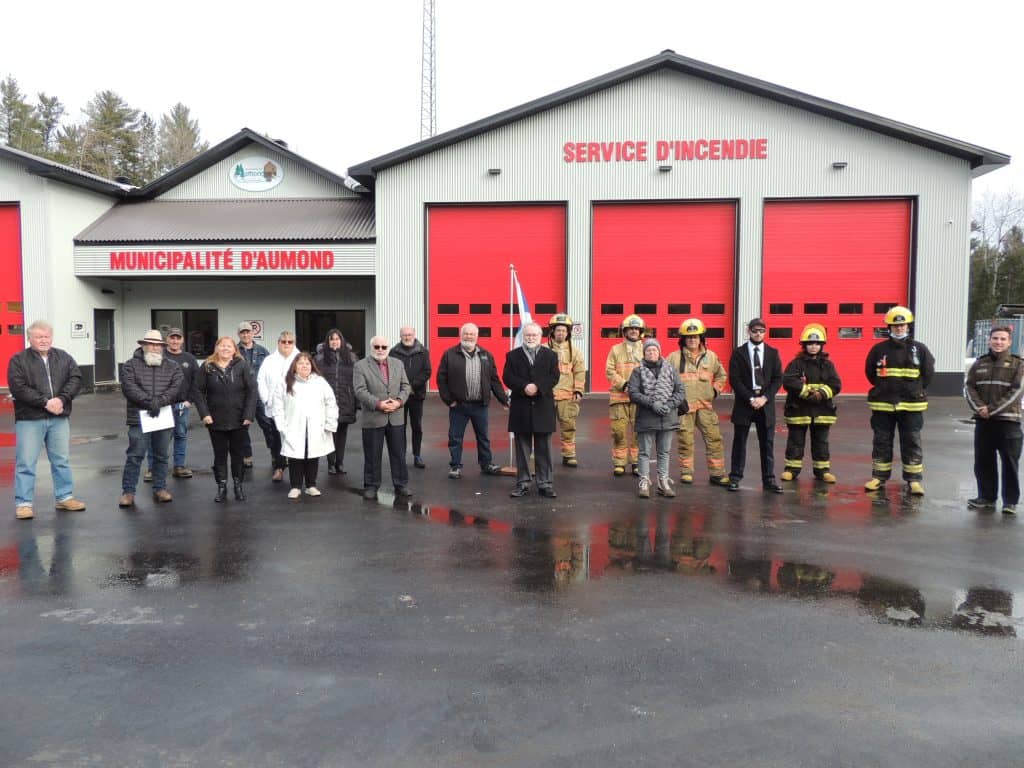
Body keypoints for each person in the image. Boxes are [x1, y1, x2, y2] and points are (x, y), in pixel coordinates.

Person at [8, 320, 86, 520]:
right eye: (38, 337)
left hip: (59, 418)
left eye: (46, 336)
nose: (43, 340)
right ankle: (24, 503)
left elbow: (76, 378)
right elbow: (18, 387)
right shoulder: (18, 360)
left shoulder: (64, 357)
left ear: (51, 337)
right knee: (26, 462)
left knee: (61, 460)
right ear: (29, 338)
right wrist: (45, 402)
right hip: (30, 418)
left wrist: (62, 399)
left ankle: (65, 497)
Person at [864, 306, 935, 495]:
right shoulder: (879, 349)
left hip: (911, 404)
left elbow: (928, 374)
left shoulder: (919, 349)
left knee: (911, 441)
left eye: (902, 325)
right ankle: (879, 477)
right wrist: (884, 388)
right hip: (883, 404)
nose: (899, 328)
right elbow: (871, 373)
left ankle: (913, 480)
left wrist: (914, 390)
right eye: (895, 325)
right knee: (882, 441)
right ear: (889, 327)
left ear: (908, 326)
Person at [118, 330, 183, 507]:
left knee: (161, 455)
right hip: (139, 417)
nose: (155, 347)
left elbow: (176, 387)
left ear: (162, 347)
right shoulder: (130, 365)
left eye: (158, 345)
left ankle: (160, 488)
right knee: (135, 455)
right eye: (151, 344)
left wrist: (160, 401)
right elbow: (129, 388)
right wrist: (149, 402)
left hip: (163, 416)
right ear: (143, 345)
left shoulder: (172, 366)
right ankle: (128, 492)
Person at [436, 322, 509, 479]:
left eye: (472, 334)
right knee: (455, 437)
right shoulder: (450, 354)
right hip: (459, 406)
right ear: (461, 335)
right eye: (466, 333)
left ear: (477, 336)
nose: (469, 336)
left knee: (483, 436)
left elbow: (494, 380)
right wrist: (449, 401)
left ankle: (486, 464)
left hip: (480, 405)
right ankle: (455, 466)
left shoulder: (486, 355)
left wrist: (503, 400)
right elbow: (441, 379)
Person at [964, 324, 1023, 515]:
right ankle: (987, 498)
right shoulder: (979, 363)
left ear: (1009, 342)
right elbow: (969, 387)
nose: (998, 342)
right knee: (983, 461)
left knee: (1010, 463)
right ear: (989, 340)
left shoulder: (1018, 364)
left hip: (1008, 422)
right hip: (984, 422)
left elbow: (1017, 391)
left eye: (1002, 339)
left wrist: (990, 409)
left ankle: (1010, 502)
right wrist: (979, 408)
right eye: (995, 338)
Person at [664, 318, 729, 486]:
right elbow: (664, 380)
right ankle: (686, 472)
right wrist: (675, 400)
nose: (692, 340)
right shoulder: (673, 358)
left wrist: (715, 390)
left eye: (695, 336)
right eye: (689, 337)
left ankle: (717, 474)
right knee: (685, 440)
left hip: (705, 407)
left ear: (701, 338)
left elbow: (721, 375)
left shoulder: (711, 357)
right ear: (683, 339)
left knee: (714, 439)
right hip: (684, 408)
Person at [193, 336, 258, 503]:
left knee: (238, 454)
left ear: (234, 350)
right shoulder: (207, 367)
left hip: (239, 419)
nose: (225, 349)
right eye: (222, 346)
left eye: (229, 346)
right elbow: (198, 391)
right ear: (216, 348)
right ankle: (221, 487)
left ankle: (238, 486)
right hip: (215, 419)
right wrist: (204, 414)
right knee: (219, 455)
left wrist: (249, 415)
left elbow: (252, 391)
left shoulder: (242, 366)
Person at [504, 322, 561, 498]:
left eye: (534, 335)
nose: (531, 338)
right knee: (522, 449)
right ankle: (523, 483)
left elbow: (554, 376)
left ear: (540, 336)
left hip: (543, 406)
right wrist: (524, 387)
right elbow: (507, 377)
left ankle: (545, 483)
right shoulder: (512, 356)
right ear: (523, 336)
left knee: (544, 449)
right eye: (528, 335)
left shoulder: (550, 355)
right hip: (521, 406)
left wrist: (538, 386)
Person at [780, 323, 842, 483]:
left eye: (817, 343)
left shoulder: (828, 365)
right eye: (810, 343)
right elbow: (788, 381)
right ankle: (791, 470)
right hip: (799, 410)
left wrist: (821, 394)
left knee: (821, 442)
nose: (813, 347)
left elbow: (836, 384)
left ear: (821, 345)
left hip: (822, 411)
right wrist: (807, 393)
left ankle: (822, 471)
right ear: (804, 345)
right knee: (795, 441)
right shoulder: (796, 364)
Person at [727, 318, 784, 493]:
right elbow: (734, 379)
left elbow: (777, 379)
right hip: (745, 404)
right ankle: (735, 477)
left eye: (761, 331)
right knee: (739, 442)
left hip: (765, 405)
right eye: (755, 331)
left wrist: (765, 398)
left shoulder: (773, 353)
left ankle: (769, 479)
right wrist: (751, 398)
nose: (758, 334)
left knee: (767, 443)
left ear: (765, 332)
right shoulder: (738, 353)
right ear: (749, 332)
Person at [271, 352, 338, 499]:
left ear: (312, 366)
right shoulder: (285, 382)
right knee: (296, 456)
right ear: (294, 366)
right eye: (301, 363)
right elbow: (277, 406)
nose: (304, 365)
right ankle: (295, 486)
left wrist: (330, 423)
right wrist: (281, 425)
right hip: (293, 425)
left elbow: (331, 403)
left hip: (316, 425)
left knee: (312, 454)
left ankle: (311, 485)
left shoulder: (320, 382)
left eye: (307, 363)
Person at [353, 335, 412, 500]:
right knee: (372, 454)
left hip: (396, 416)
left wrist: (399, 402)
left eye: (383, 347)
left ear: (388, 348)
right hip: (373, 416)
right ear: (371, 347)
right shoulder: (360, 366)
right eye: (376, 347)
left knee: (399, 453)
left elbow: (406, 386)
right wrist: (379, 404)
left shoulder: (398, 364)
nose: (380, 350)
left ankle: (401, 484)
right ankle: (371, 485)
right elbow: (359, 391)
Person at [627, 338, 687, 498]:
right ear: (644, 353)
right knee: (644, 452)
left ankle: (663, 481)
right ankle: (644, 481)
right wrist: (652, 404)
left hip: (668, 417)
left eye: (654, 350)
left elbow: (680, 390)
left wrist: (669, 404)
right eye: (648, 350)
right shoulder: (637, 371)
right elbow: (633, 393)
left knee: (664, 452)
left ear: (659, 352)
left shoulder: (670, 369)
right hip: (646, 418)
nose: (651, 352)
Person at [143, 327, 197, 482]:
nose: (175, 341)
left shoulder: (189, 359)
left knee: (180, 435)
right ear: (166, 340)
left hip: (181, 406)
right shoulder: (159, 356)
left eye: (178, 338)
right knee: (156, 437)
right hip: (161, 405)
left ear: (182, 340)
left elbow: (196, 382)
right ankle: (153, 469)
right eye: (172, 338)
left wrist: (189, 400)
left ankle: (179, 466)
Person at [606, 314, 646, 476]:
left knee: (639, 432)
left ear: (640, 331)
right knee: (618, 431)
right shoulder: (615, 350)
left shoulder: (647, 349)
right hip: (619, 398)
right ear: (625, 331)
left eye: (636, 329)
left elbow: (652, 371)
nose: (634, 331)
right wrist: (624, 384)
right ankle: (620, 463)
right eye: (631, 329)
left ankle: (636, 462)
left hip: (640, 399)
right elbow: (609, 371)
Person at [257, 331, 299, 482]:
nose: (286, 344)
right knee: (276, 438)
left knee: (294, 439)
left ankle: (296, 471)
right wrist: (266, 399)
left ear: (294, 343)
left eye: (290, 342)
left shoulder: (300, 359)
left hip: (295, 407)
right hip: (274, 407)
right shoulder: (269, 360)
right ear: (278, 342)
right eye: (283, 341)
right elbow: (261, 380)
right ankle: (279, 468)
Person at [315, 328, 358, 475]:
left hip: (346, 400)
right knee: (330, 432)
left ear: (342, 341)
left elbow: (356, 381)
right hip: (327, 403)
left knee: (342, 433)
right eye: (331, 339)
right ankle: (331, 463)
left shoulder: (351, 358)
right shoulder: (319, 359)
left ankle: (340, 463)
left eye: (337, 339)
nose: (334, 341)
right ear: (327, 341)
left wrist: (356, 402)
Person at [389, 326, 431, 468]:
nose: (407, 337)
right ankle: (401, 455)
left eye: (409, 334)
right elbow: (390, 372)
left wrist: (412, 387)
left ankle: (417, 455)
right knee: (400, 426)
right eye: (404, 335)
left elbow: (427, 372)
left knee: (416, 426)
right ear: (400, 336)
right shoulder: (393, 352)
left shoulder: (423, 352)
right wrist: (402, 389)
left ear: (414, 335)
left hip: (416, 395)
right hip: (399, 396)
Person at [547, 313, 586, 468]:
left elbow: (580, 372)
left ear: (568, 332)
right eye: (558, 330)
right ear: (552, 332)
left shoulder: (575, 352)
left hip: (567, 397)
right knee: (543, 429)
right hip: (547, 397)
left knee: (568, 427)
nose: (561, 333)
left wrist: (578, 390)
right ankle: (541, 457)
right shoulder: (544, 349)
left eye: (564, 331)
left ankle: (569, 455)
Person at [236, 322, 270, 471]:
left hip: (260, 395)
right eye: (243, 332)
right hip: (241, 396)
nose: (246, 335)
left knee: (268, 425)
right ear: (239, 334)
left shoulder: (263, 351)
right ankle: (246, 456)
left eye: (248, 332)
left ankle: (276, 453)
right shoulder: (234, 351)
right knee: (243, 427)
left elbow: (270, 372)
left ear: (252, 333)